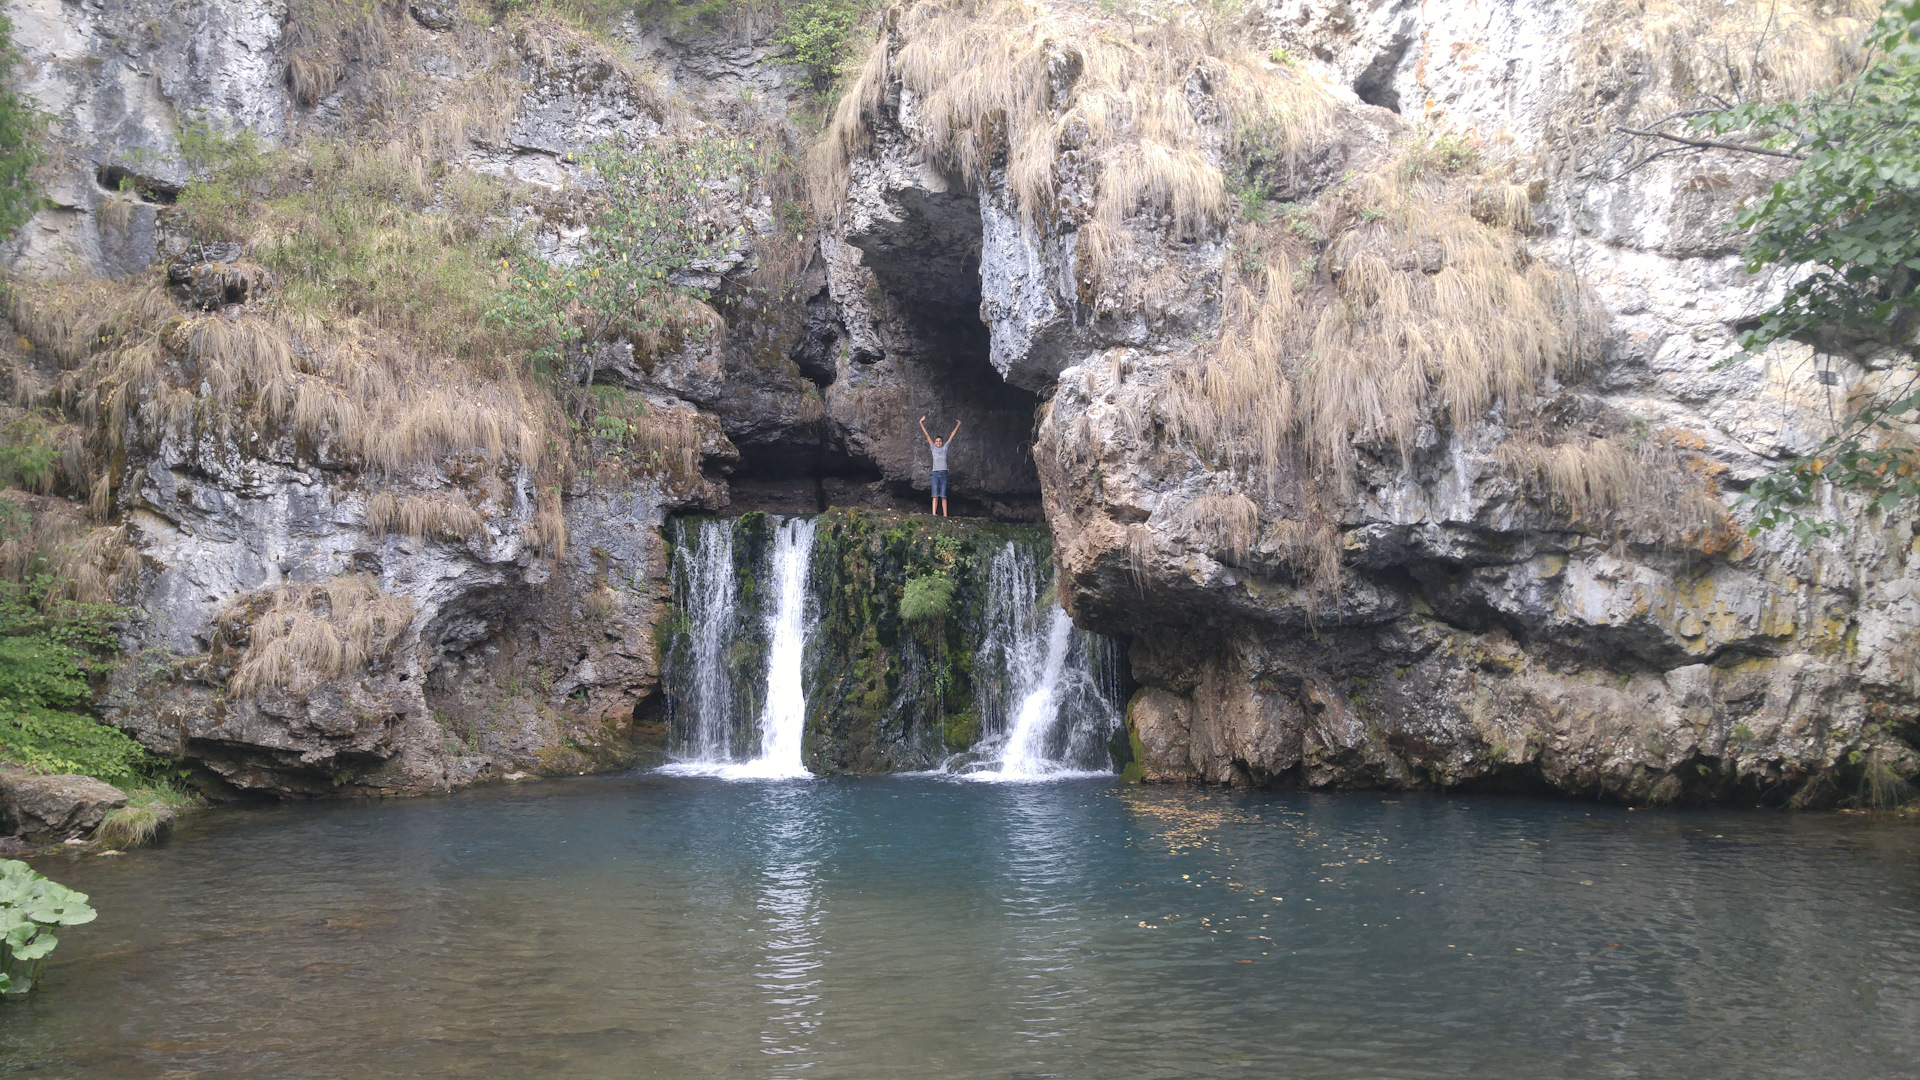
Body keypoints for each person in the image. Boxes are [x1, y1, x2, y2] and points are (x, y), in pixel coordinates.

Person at [919, 414, 960, 517]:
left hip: (944, 473)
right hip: (935, 473)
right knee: (935, 495)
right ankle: (934, 514)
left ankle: (945, 515)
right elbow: (927, 435)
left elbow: (951, 436)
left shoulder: (945, 448)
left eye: (940, 441)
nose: (938, 443)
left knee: (944, 496)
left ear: (942, 442)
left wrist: (958, 425)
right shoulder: (933, 448)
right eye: (936, 441)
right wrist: (921, 423)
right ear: (935, 442)